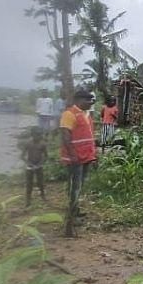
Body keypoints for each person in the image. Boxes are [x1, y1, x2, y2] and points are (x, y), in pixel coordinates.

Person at [59, 88, 97, 237]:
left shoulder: (85, 114)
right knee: (75, 189)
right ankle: (69, 224)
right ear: (79, 100)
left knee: (79, 187)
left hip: (86, 157)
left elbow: (88, 137)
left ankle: (75, 212)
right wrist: (73, 155)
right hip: (76, 159)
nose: (90, 103)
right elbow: (65, 136)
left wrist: (93, 156)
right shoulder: (69, 114)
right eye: (88, 101)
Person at [21, 127, 47, 207]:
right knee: (29, 184)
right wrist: (29, 164)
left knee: (41, 183)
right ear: (32, 135)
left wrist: (40, 164)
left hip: (39, 166)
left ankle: (43, 196)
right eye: (37, 135)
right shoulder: (28, 143)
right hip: (30, 166)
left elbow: (46, 156)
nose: (38, 137)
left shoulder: (42, 144)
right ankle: (28, 200)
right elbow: (22, 156)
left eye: (40, 135)